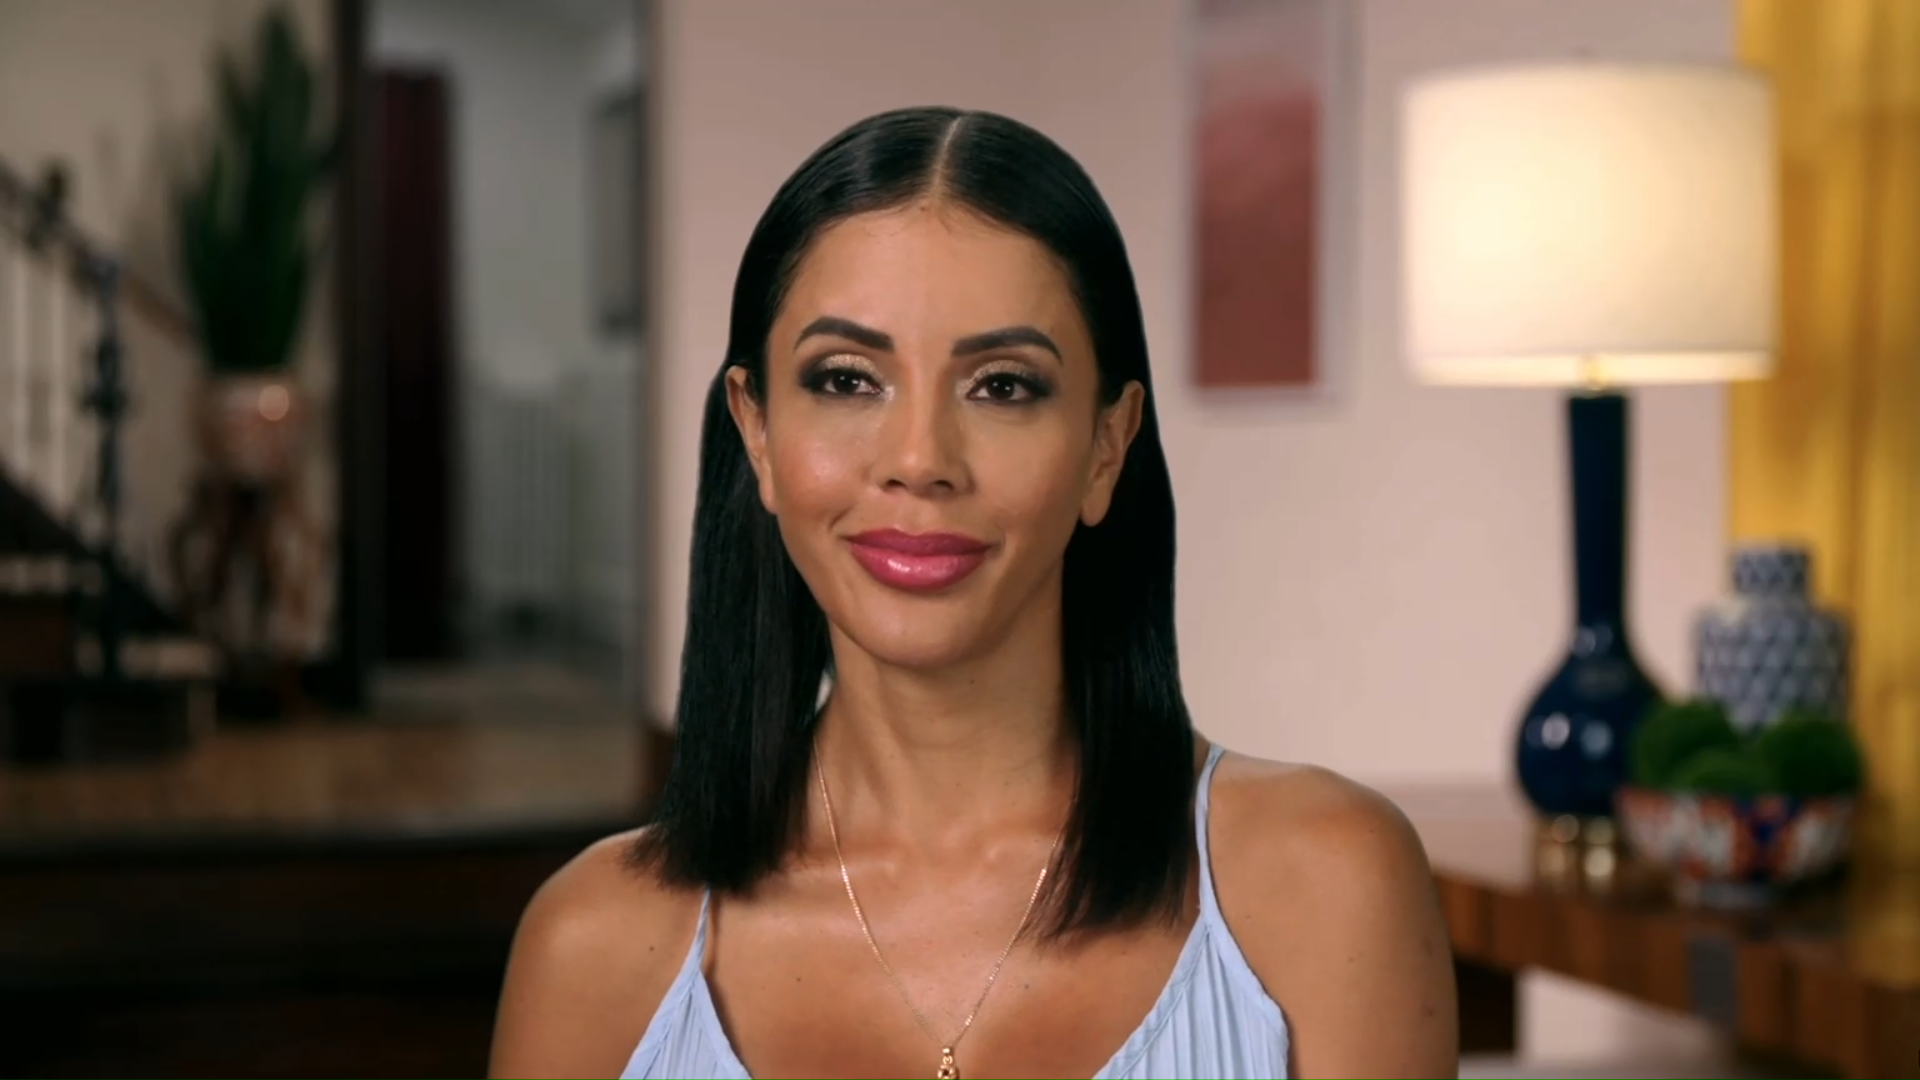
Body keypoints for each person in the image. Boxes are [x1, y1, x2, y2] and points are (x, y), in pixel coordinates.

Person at [489, 106, 1457, 1080]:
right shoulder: (593, 949)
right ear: (758, 432)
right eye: (847, 380)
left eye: (1002, 386)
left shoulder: (1323, 884)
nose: (920, 461)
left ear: (1107, 447)